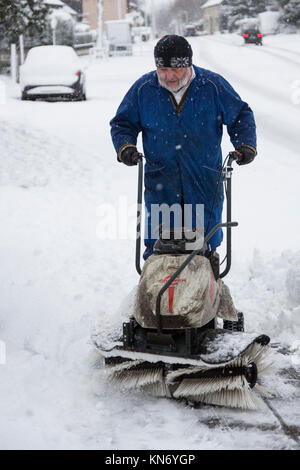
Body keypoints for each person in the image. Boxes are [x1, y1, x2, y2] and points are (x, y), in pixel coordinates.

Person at [110, 35, 257, 260]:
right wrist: (126, 146)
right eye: (162, 69)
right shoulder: (144, 89)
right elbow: (123, 123)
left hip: (204, 178)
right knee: (160, 244)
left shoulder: (212, 86)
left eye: (174, 70)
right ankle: (157, 288)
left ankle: (205, 282)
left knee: (203, 243)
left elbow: (240, 115)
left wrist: (244, 144)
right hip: (160, 179)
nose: (168, 76)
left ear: (188, 65)